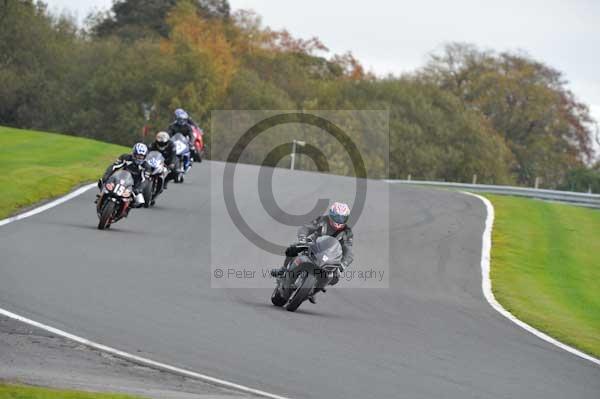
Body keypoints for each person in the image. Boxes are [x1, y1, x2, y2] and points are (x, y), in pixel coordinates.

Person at [271, 202, 354, 304]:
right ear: (331, 214)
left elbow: (349, 250)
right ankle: (284, 269)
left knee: (335, 277)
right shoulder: (322, 220)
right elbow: (306, 227)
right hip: (314, 245)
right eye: (337, 217)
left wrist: (342, 266)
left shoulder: (347, 232)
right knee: (293, 248)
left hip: (330, 256)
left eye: (342, 218)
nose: (339, 220)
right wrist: (302, 239)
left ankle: (314, 290)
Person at [97, 143, 150, 207]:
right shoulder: (125, 157)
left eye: (142, 156)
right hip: (121, 178)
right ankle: (101, 195)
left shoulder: (146, 166)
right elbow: (114, 167)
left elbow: (145, 180)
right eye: (138, 155)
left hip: (134, 185)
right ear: (133, 153)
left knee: (140, 203)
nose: (139, 158)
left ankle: (127, 206)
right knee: (102, 181)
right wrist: (106, 176)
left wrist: (139, 189)